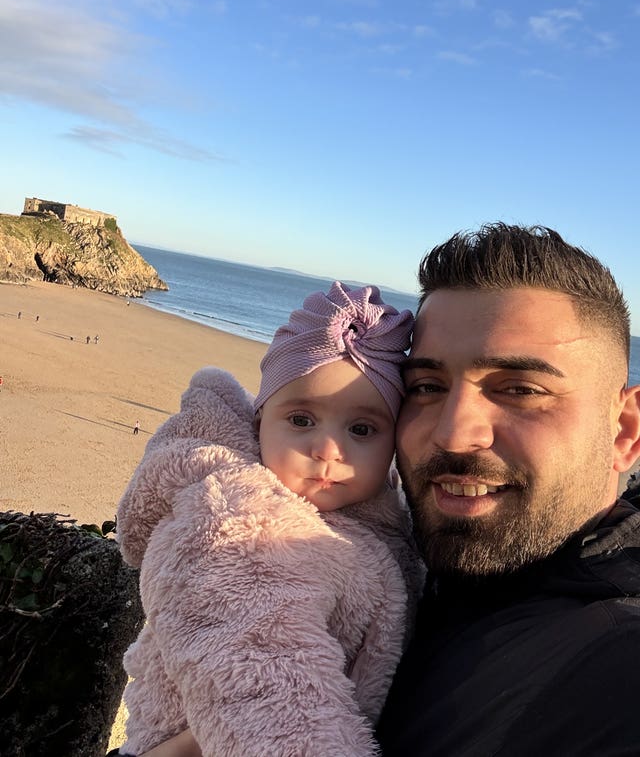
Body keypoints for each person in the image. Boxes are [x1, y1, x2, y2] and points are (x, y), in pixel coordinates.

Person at [115, 282, 423, 757]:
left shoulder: (374, 522)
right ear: (261, 423)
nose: (327, 448)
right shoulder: (241, 520)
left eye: (362, 429)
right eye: (301, 420)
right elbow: (265, 681)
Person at [376, 223, 640, 756]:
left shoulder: (619, 663)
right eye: (425, 387)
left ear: (624, 430)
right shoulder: (385, 562)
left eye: (520, 389)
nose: (453, 432)